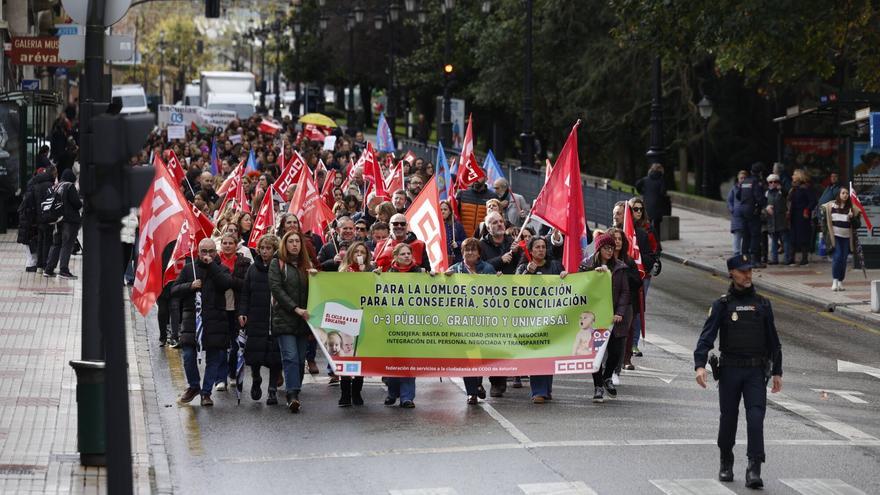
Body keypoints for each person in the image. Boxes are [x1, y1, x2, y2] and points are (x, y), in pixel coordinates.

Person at [694, 255, 783, 489]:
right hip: (731, 370)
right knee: (729, 418)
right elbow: (707, 337)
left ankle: (754, 466)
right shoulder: (722, 305)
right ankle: (726, 459)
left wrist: (778, 371)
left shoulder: (763, 304)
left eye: (750, 271)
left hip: (755, 371)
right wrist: (700, 365)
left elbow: (774, 341)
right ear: (732, 273)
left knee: (755, 418)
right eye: (743, 271)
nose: (748, 275)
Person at [172, 238, 234, 407]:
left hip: (215, 321)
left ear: (216, 252)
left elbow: (225, 284)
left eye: (211, 251)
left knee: (213, 358)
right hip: (192, 320)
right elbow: (174, 290)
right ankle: (194, 386)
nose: (207, 255)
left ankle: (206, 392)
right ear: (198, 252)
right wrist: (190, 286)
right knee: (188, 356)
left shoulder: (222, 269)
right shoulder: (188, 268)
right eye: (203, 251)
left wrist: (212, 265)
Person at [269, 231, 317, 413]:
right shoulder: (277, 263)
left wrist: (315, 278)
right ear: (285, 244)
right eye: (291, 241)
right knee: (289, 356)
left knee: (299, 359)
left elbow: (315, 291)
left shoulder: (306, 265)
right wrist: (295, 308)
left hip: (303, 320)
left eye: (297, 241)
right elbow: (276, 289)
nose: (295, 245)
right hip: (285, 318)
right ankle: (292, 394)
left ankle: (295, 388)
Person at [579, 233, 631, 404]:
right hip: (595, 317)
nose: (610, 251)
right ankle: (598, 386)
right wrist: (594, 275)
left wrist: (620, 313)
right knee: (597, 353)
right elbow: (579, 285)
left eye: (612, 248)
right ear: (599, 249)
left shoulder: (620, 267)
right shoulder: (587, 266)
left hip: (614, 316)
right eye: (606, 248)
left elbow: (624, 292)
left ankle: (608, 376)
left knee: (615, 352)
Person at [515, 236, 567, 404]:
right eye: (537, 247)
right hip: (531, 320)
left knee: (549, 353)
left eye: (543, 246)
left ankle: (546, 389)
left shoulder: (555, 266)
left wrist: (566, 276)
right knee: (537, 353)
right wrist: (527, 273)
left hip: (552, 317)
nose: (541, 249)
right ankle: (538, 391)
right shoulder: (523, 267)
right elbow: (515, 288)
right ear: (530, 251)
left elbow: (568, 285)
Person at [445, 237, 496, 404]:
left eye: (474, 249)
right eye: (467, 250)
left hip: (483, 320)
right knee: (467, 355)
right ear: (462, 253)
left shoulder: (488, 269)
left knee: (479, 355)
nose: (470, 252)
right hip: (462, 321)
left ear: (479, 253)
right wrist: (444, 278)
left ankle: (478, 383)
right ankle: (471, 392)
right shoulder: (455, 269)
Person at [377, 243, 426, 408]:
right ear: (396, 257)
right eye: (403, 254)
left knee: (408, 360)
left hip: (412, 324)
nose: (406, 256)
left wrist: (433, 275)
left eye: (408, 254)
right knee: (393, 360)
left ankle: (407, 397)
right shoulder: (388, 274)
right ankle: (392, 393)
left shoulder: (419, 272)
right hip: (393, 324)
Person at [239, 234, 283, 405]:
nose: (265, 252)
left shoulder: (279, 267)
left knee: (274, 356)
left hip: (274, 318)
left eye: (268, 248)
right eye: (262, 248)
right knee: (255, 355)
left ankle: (272, 389)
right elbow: (245, 293)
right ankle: (256, 378)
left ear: (274, 250)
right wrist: (243, 312)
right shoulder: (252, 269)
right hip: (256, 318)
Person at [336, 242, 372, 407]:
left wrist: (366, 273)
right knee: (346, 353)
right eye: (356, 251)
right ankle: (345, 393)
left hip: (365, 317)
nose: (359, 254)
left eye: (362, 252)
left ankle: (357, 391)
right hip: (346, 317)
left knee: (360, 354)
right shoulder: (344, 271)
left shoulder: (370, 271)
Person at [217, 233, 251, 391]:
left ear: (236, 245)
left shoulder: (244, 262)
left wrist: (230, 280)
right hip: (220, 309)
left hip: (237, 309)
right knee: (221, 345)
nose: (228, 245)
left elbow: (246, 285)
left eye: (231, 243)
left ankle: (232, 372)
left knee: (236, 345)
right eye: (225, 243)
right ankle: (220, 378)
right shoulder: (215, 262)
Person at [44, 169, 82, 279]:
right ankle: (63, 270)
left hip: (58, 220)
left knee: (56, 244)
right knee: (67, 245)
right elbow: (77, 204)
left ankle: (49, 269)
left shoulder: (56, 186)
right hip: (69, 221)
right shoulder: (69, 186)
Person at [821, 187, 858, 291]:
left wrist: (852, 217)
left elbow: (857, 225)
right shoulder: (831, 206)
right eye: (843, 193)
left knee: (844, 260)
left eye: (847, 193)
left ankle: (841, 282)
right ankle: (835, 281)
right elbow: (824, 220)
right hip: (835, 237)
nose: (845, 195)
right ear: (839, 194)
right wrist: (825, 234)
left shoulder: (851, 208)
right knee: (837, 257)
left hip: (846, 238)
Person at [735, 163, 767, 268]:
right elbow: (759, 198)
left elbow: (738, 195)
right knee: (755, 235)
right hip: (753, 211)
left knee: (746, 235)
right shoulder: (756, 182)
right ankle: (754, 260)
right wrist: (765, 203)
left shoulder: (745, 181)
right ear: (760, 173)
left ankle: (745, 259)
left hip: (743, 210)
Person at [788, 169, 816, 266]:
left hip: (802, 215)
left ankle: (804, 258)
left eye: (794, 175)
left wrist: (807, 209)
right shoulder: (794, 188)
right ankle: (791, 258)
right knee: (792, 236)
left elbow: (812, 201)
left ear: (799, 176)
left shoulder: (805, 188)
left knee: (803, 237)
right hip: (793, 215)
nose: (792, 176)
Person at [764, 174, 791, 265]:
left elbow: (786, 193)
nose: (773, 183)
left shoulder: (781, 191)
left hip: (781, 220)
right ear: (768, 183)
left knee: (785, 240)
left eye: (775, 181)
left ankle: (788, 259)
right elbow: (763, 204)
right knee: (774, 241)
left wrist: (781, 188)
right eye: (771, 182)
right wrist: (766, 208)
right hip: (771, 220)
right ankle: (774, 259)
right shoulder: (767, 193)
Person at [635, 163, 667, 236]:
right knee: (657, 225)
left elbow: (637, 185)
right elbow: (663, 192)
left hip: (647, 204)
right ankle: (657, 241)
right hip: (658, 205)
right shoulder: (661, 180)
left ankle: (647, 240)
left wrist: (643, 192)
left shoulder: (646, 179)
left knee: (646, 223)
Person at [727, 170, 748, 256]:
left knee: (746, 236)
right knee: (737, 235)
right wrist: (733, 209)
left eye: (744, 178)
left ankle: (744, 253)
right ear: (738, 179)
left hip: (746, 215)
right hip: (737, 216)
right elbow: (729, 200)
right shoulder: (734, 188)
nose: (742, 180)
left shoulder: (748, 188)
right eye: (741, 178)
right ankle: (736, 253)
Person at [440, 200, 466, 265]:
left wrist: (458, 244)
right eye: (441, 209)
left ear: (450, 211)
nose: (442, 211)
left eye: (445, 209)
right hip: (440, 259)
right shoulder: (435, 225)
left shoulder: (457, 225)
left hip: (455, 259)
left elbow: (465, 241)